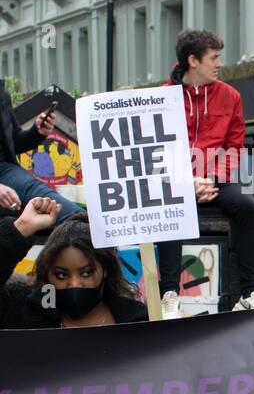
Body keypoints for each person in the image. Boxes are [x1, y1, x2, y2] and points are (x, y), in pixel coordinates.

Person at [156, 29, 254, 318]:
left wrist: (210, 179)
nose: (219, 64)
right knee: (171, 208)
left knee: (247, 206)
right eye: (214, 58)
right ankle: (169, 295)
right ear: (193, 60)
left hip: (215, 178)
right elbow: (156, 149)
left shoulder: (230, 96)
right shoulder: (162, 98)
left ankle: (250, 294)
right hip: (177, 180)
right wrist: (186, 181)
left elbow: (235, 146)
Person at [0, 198, 146, 329]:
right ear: (47, 273)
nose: (75, 284)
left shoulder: (137, 321)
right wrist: (22, 227)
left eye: (86, 273)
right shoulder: (22, 311)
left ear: (105, 269)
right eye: (61, 275)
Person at [0, 86, 79, 221]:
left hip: (7, 170)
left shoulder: (2, 93)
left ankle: (88, 226)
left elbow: (14, 142)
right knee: (38, 193)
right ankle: (87, 225)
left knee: (44, 198)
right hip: (7, 173)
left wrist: (37, 132)